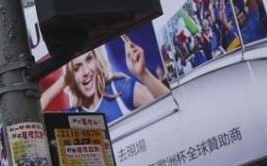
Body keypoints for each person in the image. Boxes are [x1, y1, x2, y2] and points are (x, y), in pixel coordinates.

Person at [41, 35, 171, 124]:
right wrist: (64, 80)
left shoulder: (121, 90)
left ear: (98, 60)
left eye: (89, 59)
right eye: (77, 68)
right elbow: (32, 118)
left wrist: (143, 74)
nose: (86, 71)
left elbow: (168, 106)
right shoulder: (73, 116)